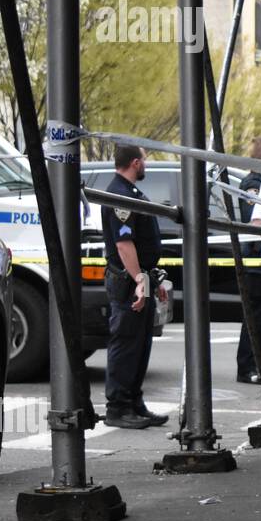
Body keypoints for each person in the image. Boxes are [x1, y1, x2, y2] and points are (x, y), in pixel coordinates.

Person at [100, 144, 169, 429]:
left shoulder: (130, 193)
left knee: (140, 345)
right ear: (136, 163)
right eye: (145, 160)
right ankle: (118, 407)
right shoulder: (120, 196)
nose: (147, 165)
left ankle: (134, 402)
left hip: (140, 279)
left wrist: (153, 279)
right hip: (128, 281)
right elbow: (124, 244)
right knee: (126, 343)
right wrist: (140, 279)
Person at [235, 135, 261, 384]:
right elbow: (253, 216)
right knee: (254, 318)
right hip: (255, 259)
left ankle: (260, 364)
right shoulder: (253, 184)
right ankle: (246, 367)